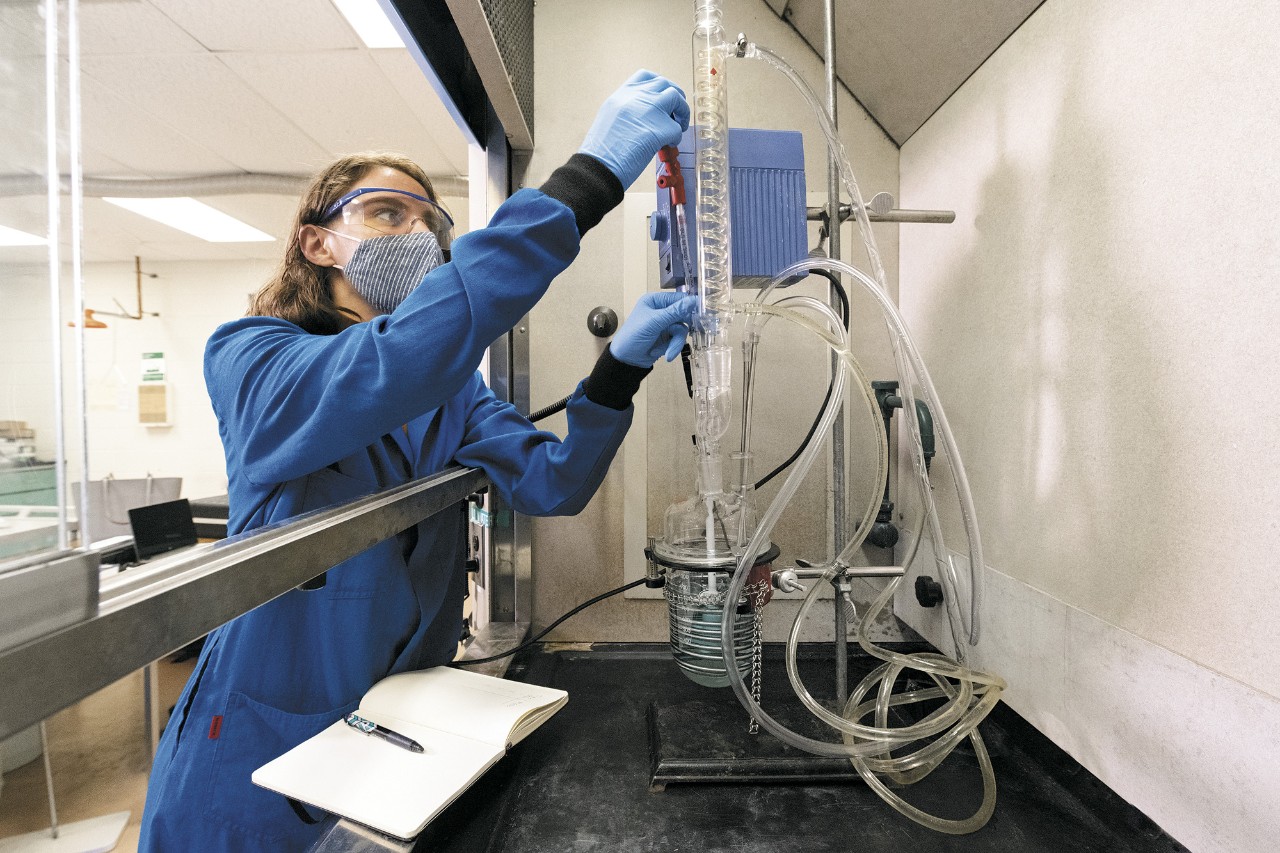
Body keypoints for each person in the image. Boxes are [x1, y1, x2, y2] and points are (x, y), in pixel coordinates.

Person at [138, 70, 693, 851]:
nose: (413, 237)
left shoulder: (451, 393)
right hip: (263, 740)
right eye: (384, 213)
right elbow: (387, 366)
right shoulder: (252, 356)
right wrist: (587, 180)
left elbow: (553, 481)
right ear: (317, 241)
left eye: (428, 224)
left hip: (406, 729)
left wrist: (618, 371)